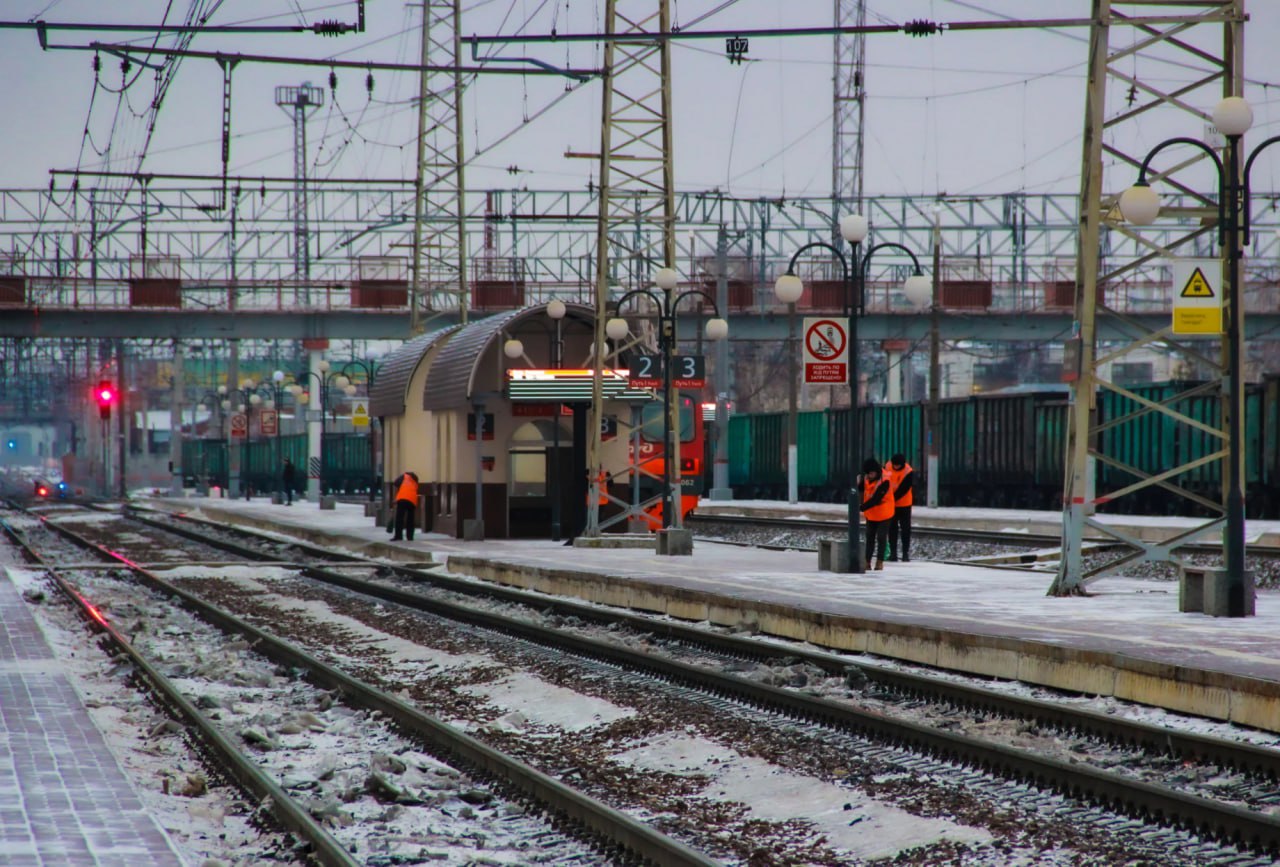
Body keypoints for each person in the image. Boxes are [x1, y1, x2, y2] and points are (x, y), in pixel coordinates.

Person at [859, 458, 895, 571]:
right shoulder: (866, 477)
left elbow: (876, 499)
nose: (869, 476)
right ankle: (867, 561)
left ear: (877, 472)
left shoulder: (885, 481)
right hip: (871, 513)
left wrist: (861, 507)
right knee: (869, 537)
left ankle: (879, 562)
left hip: (884, 512)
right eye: (867, 474)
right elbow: (861, 489)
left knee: (881, 537)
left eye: (871, 474)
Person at [884, 453, 914, 561]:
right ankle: (893, 554)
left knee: (905, 529)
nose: (896, 467)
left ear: (902, 464)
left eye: (898, 465)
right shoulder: (887, 467)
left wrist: (891, 498)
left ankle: (905, 554)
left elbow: (904, 489)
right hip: (891, 504)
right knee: (892, 528)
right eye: (894, 465)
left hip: (904, 504)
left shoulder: (908, 471)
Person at [391, 470, 420, 541]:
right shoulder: (415, 479)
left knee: (399, 518)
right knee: (410, 519)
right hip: (412, 500)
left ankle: (398, 536)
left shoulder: (403, 476)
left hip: (402, 498)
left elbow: (395, 485)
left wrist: (395, 498)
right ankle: (410, 537)